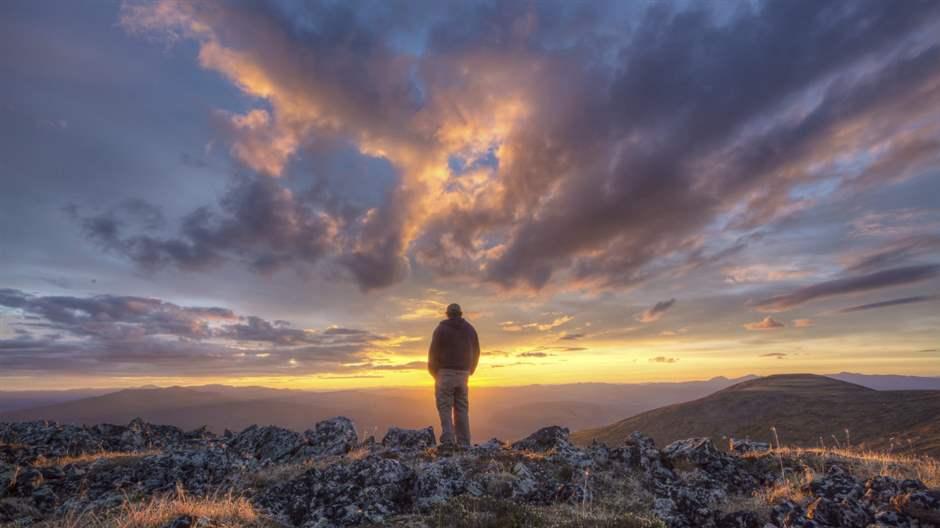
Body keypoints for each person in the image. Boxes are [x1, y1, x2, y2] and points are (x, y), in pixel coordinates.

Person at [427, 303, 480, 447]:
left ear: (447, 314)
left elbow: (433, 354)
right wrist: (470, 370)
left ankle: (449, 440)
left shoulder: (441, 329)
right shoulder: (470, 330)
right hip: (464, 375)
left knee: (444, 406)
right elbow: (476, 352)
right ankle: (464, 443)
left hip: (445, 373)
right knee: (462, 408)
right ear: (461, 313)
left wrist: (435, 373)